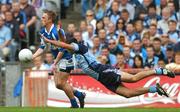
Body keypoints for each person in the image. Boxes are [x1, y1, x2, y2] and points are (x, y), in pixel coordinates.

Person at [42, 33, 175, 98]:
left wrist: (49, 40)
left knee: (133, 79)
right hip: (101, 78)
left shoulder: (79, 47)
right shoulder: (72, 53)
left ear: (72, 45)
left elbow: (64, 45)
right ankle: (154, 89)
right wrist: (55, 62)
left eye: (68, 48)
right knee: (127, 94)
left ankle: (160, 70)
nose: (67, 50)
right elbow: (63, 47)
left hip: (103, 71)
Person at [32, 10, 85, 108]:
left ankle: (74, 104)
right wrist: (33, 56)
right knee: (58, 85)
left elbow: (63, 47)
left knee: (62, 83)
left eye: (44, 17)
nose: (41, 19)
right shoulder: (43, 31)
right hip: (58, 59)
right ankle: (79, 95)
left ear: (50, 20)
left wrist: (55, 62)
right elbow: (42, 47)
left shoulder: (56, 32)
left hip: (66, 57)